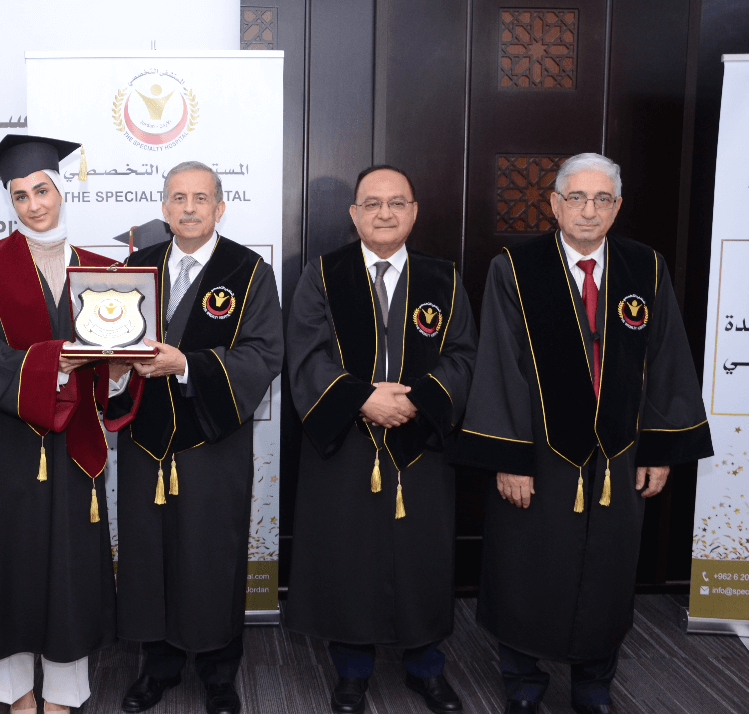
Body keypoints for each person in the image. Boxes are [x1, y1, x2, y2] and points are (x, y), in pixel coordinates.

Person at [451, 153, 713, 714]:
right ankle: (523, 684)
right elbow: (500, 364)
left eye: (601, 199)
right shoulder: (516, 268)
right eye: (577, 198)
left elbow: (667, 359)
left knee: (607, 573)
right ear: (555, 204)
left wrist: (660, 449)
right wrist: (510, 458)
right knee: (526, 568)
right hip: (539, 455)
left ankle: (594, 685)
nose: (588, 210)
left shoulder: (645, 268)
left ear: (617, 207)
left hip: (619, 457)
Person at [0, 135, 144, 714]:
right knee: (9, 560)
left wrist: (119, 371)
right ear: (10, 202)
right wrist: (54, 363)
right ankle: (15, 690)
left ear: (61, 191)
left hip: (76, 442)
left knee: (71, 565)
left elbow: (116, 369)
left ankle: (63, 691)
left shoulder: (103, 271)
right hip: (7, 440)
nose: (34, 204)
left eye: (42, 190)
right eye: (20, 196)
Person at [285, 165, 477, 714]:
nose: (384, 213)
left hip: (421, 445)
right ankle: (351, 673)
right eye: (372, 203)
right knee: (348, 558)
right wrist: (362, 399)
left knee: (421, 558)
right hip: (346, 442)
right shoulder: (324, 275)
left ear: (414, 211)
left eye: (396, 203)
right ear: (354, 214)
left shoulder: (443, 278)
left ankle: (426, 669)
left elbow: (464, 355)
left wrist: (418, 400)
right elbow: (306, 354)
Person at [107, 161, 284, 714]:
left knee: (211, 556)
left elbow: (264, 354)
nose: (188, 208)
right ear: (164, 208)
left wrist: (186, 364)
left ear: (219, 207)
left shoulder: (248, 272)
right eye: (178, 198)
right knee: (149, 555)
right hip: (145, 441)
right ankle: (157, 666)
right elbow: (110, 343)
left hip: (212, 442)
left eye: (200, 198)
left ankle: (218, 672)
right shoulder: (136, 266)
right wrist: (113, 367)